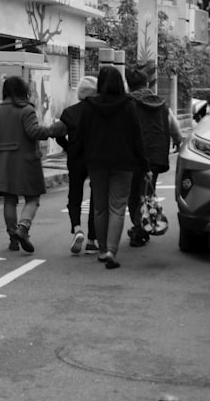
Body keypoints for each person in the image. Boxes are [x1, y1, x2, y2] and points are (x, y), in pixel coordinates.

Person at [75, 66, 148, 269]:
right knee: (117, 207)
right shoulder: (129, 106)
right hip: (124, 163)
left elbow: (81, 138)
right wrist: (145, 165)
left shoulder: (89, 106)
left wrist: (82, 160)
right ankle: (111, 251)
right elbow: (137, 139)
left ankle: (101, 249)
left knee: (100, 207)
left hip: (96, 163)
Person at [0, 76, 66, 253]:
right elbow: (34, 131)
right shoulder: (26, 110)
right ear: (23, 91)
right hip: (25, 161)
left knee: (9, 199)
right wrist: (53, 130)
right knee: (32, 198)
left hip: (2, 163)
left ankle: (13, 237)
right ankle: (23, 227)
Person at [125, 67, 183, 247]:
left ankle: (139, 229)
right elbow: (173, 125)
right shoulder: (160, 103)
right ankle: (141, 226)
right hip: (156, 155)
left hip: (134, 155)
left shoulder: (128, 102)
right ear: (147, 83)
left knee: (134, 192)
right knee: (146, 191)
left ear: (129, 85)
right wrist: (177, 140)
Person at [55, 75, 99, 255]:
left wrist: (69, 148)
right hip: (95, 157)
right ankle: (92, 240)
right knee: (96, 197)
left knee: (75, 194)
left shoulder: (69, 112)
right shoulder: (100, 112)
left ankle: (77, 228)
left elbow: (58, 134)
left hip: (75, 157)